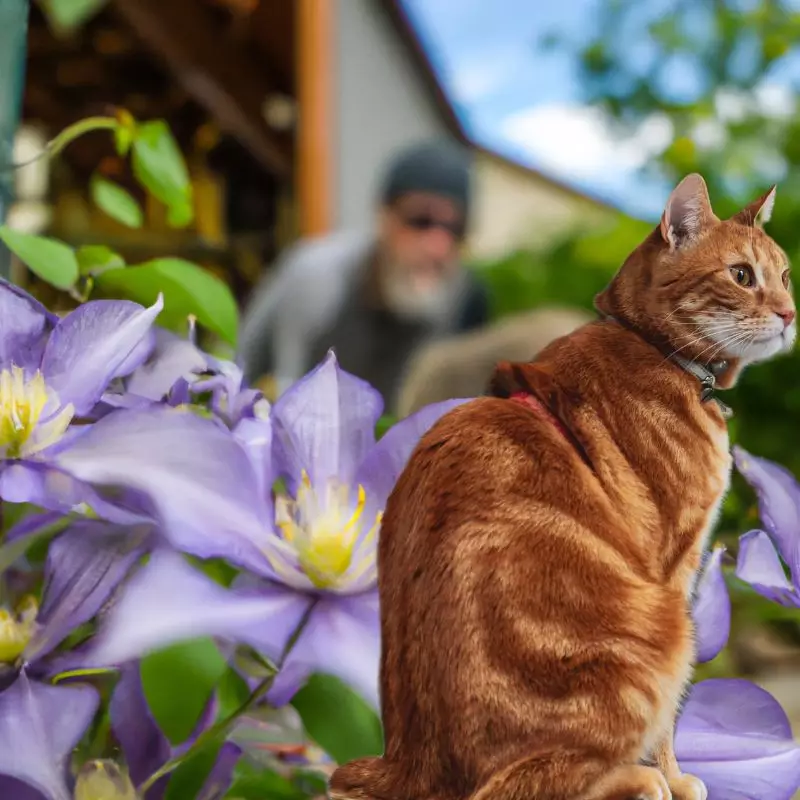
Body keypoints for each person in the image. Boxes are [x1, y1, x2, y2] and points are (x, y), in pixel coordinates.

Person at [237, 138, 490, 407]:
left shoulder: (459, 298)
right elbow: (277, 385)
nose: (438, 246)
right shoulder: (319, 277)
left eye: (456, 229)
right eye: (420, 220)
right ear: (383, 216)